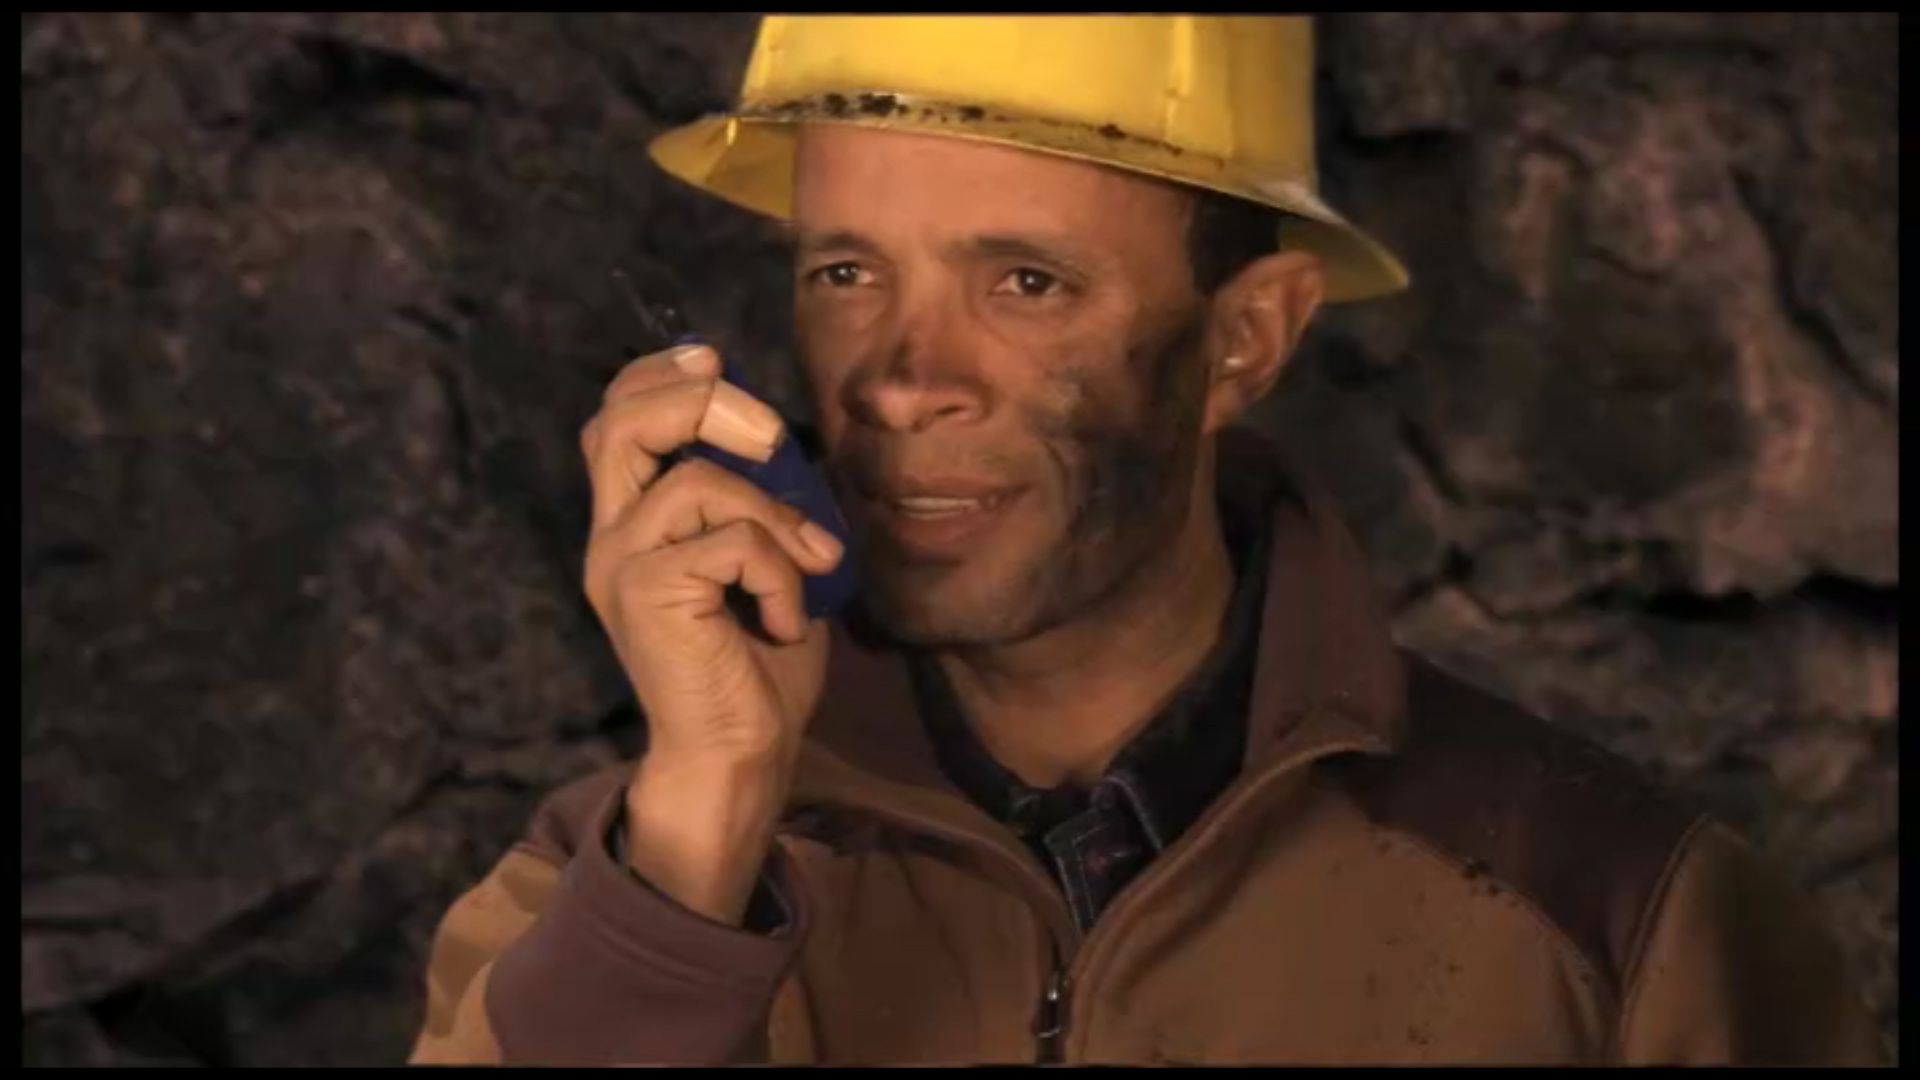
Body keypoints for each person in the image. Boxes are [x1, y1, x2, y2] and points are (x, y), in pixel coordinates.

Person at [407, 15, 1886, 1066]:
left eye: (1028, 282)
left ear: (1245, 338)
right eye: (848, 270)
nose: (903, 374)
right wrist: (703, 832)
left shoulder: (1618, 924)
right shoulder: (614, 886)